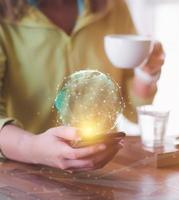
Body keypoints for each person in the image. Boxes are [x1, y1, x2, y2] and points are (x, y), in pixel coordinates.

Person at [0, 0, 165, 171]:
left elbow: (133, 112)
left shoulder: (114, 6)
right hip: (24, 175)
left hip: (102, 167)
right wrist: (32, 148)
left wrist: (146, 75)